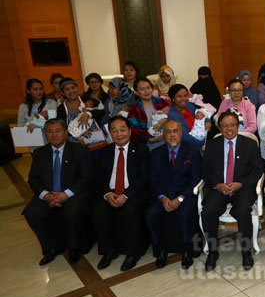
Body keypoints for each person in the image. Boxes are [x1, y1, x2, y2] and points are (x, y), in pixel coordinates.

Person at [23, 119, 94, 265]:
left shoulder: (79, 150)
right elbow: (33, 178)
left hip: (73, 192)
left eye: (58, 131)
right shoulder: (39, 153)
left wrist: (65, 194)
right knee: (32, 212)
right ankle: (51, 247)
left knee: (72, 210)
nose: (54, 135)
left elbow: (87, 177)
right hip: (49, 194)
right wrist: (46, 195)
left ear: (66, 133)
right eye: (49, 131)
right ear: (45, 134)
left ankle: (74, 247)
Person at [201, 111, 262, 271]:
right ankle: (212, 252)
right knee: (208, 210)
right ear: (219, 128)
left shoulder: (249, 144)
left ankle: (246, 251)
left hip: (242, 188)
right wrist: (217, 185)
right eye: (225, 126)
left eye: (232, 125)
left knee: (242, 210)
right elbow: (205, 171)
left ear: (238, 126)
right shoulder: (213, 145)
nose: (229, 129)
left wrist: (240, 184)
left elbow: (257, 171)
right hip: (219, 188)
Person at [93, 116, 151, 271]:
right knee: (99, 211)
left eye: (122, 129)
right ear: (110, 133)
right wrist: (107, 194)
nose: (119, 134)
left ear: (130, 131)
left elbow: (144, 177)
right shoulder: (104, 151)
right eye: (114, 130)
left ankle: (133, 253)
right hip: (111, 191)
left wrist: (125, 195)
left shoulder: (141, 149)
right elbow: (98, 177)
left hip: (133, 191)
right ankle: (108, 251)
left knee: (130, 210)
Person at [146, 120, 201, 270]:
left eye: (175, 131)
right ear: (163, 135)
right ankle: (160, 250)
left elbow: (196, 179)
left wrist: (180, 198)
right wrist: (162, 198)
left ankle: (186, 251)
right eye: (168, 132)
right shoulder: (156, 154)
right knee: (151, 214)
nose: (172, 135)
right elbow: (153, 180)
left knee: (184, 214)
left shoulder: (192, 151)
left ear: (181, 133)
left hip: (185, 195)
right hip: (163, 196)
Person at [56, 77, 103, 144]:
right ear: (62, 92)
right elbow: (62, 127)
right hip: (76, 144)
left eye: (73, 87)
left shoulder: (85, 99)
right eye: (67, 89)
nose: (71, 91)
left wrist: (87, 114)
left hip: (96, 139)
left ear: (77, 88)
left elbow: (101, 111)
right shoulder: (61, 108)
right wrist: (80, 133)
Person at [127, 77, 170, 149]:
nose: (146, 91)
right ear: (136, 92)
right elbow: (134, 130)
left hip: (167, 142)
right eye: (142, 89)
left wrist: (165, 120)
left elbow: (175, 116)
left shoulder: (161, 102)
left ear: (152, 89)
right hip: (147, 146)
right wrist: (150, 140)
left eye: (148, 88)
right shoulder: (134, 109)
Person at [18, 78, 58, 151]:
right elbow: (20, 127)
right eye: (35, 89)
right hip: (34, 145)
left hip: (51, 142)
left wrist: (37, 124)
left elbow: (54, 121)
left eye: (41, 89)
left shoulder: (51, 103)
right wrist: (28, 126)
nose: (39, 92)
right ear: (28, 91)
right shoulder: (23, 107)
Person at [168, 84, 209, 148]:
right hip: (186, 146)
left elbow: (200, 116)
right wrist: (202, 143)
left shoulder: (189, 106)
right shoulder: (173, 116)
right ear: (173, 98)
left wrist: (207, 121)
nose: (183, 99)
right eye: (179, 96)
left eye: (185, 95)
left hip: (199, 139)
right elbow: (184, 137)